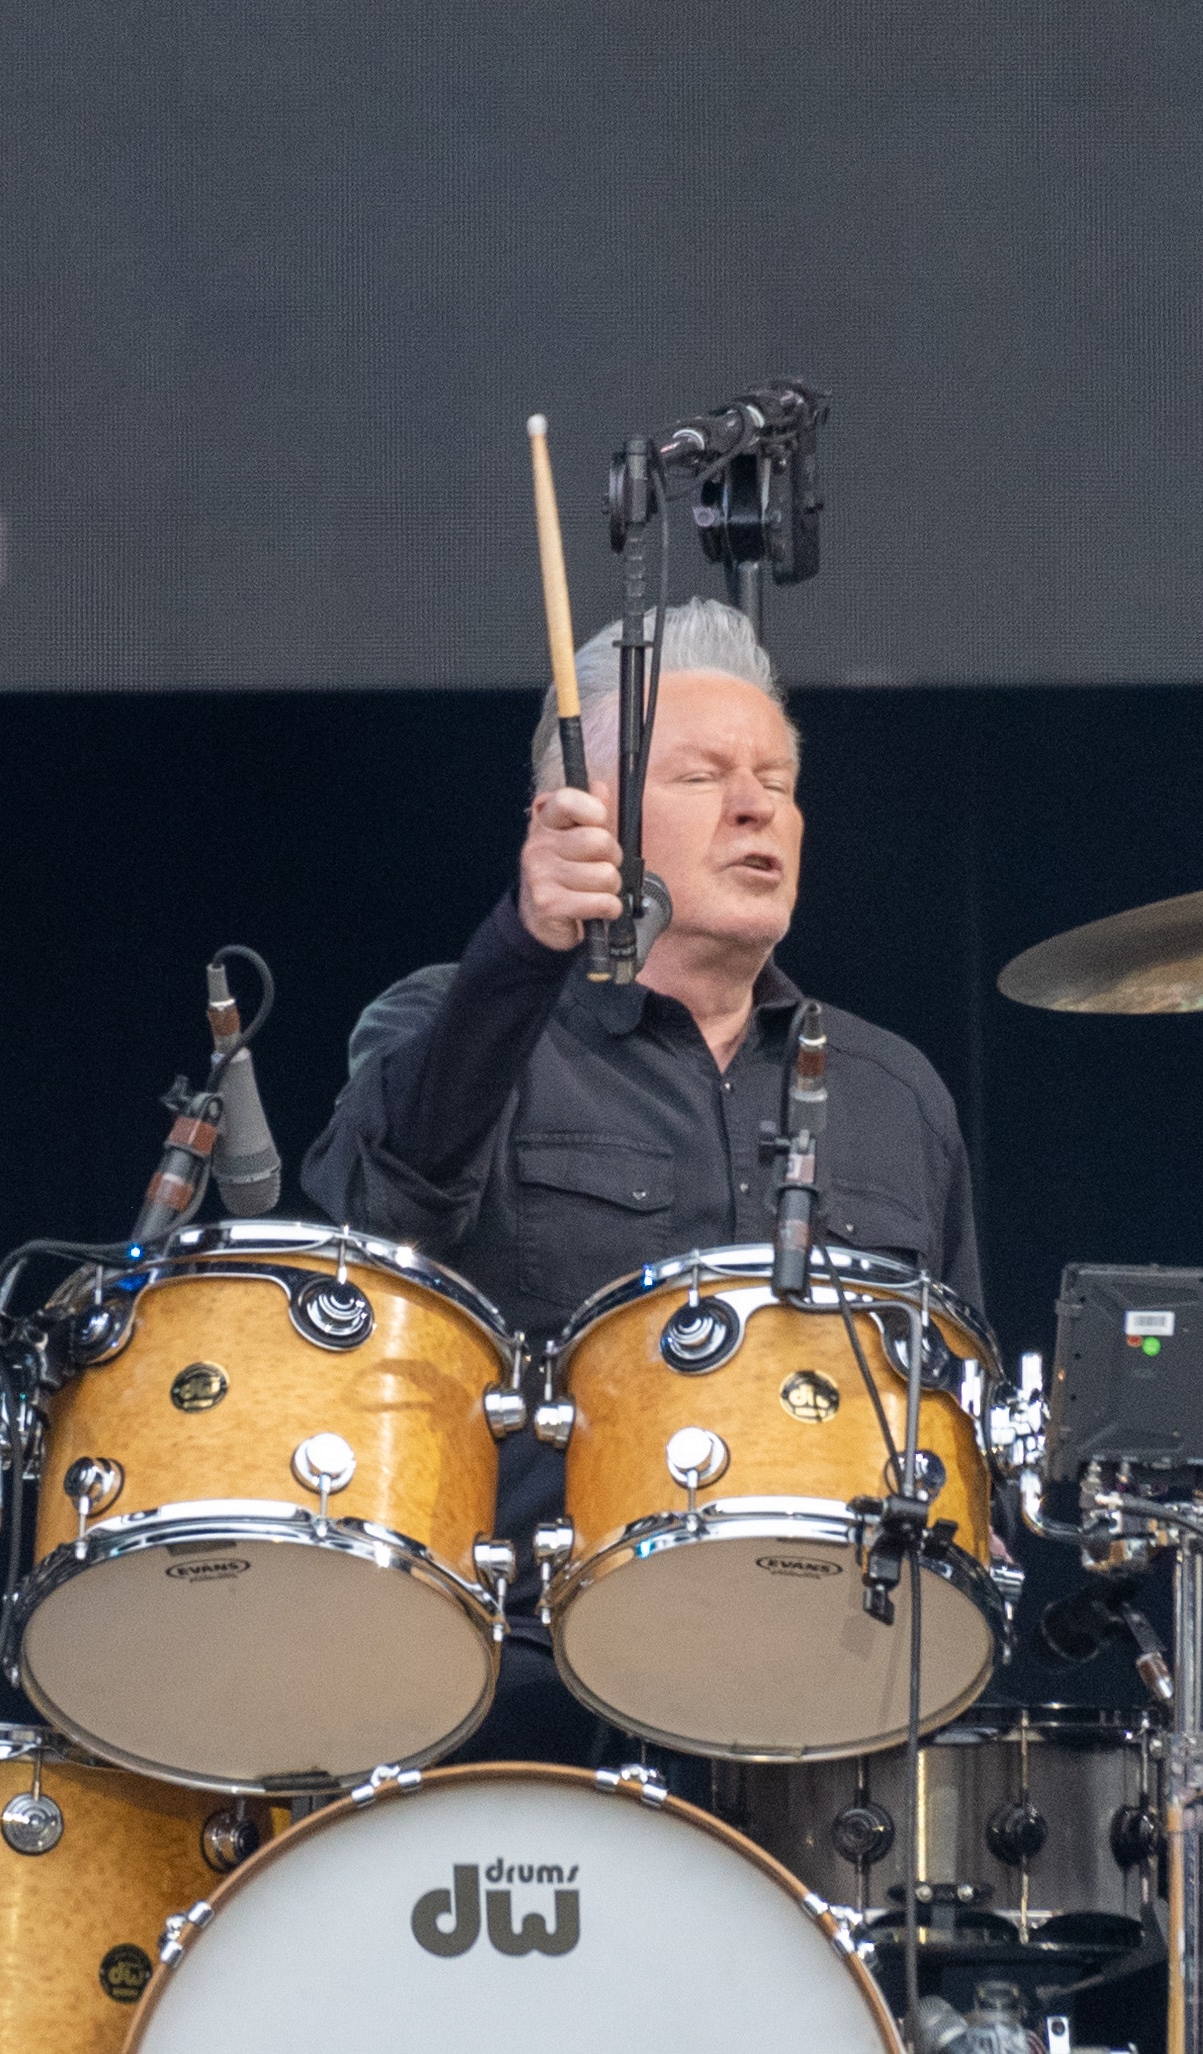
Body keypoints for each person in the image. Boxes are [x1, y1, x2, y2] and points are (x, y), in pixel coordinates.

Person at [301, 598, 983, 1763]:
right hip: (517, 1702)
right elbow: (373, 1235)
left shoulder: (894, 1087)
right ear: (580, 823)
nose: (758, 804)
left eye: (776, 776)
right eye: (701, 774)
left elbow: (961, 1403)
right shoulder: (452, 1022)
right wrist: (521, 944)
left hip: (833, 1705)